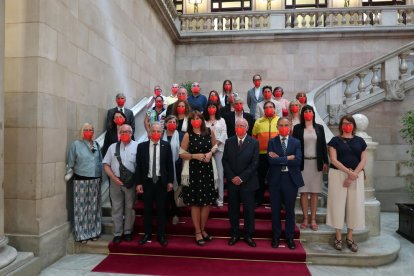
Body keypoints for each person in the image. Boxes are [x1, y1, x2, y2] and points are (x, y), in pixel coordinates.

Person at [327, 115, 366, 253]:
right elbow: (333, 160)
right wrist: (349, 173)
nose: (347, 125)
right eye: (344, 123)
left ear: (354, 125)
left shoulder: (360, 141)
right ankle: (338, 236)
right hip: (338, 174)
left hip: (356, 175)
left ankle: (349, 236)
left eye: (349, 123)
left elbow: (363, 160)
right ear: (341, 125)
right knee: (337, 204)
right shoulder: (334, 140)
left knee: (354, 205)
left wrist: (353, 174)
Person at [179, 111, 218, 246]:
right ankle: (197, 231)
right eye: (193, 119)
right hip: (194, 171)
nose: (196, 120)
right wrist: (194, 156)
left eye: (198, 118)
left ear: (202, 120)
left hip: (207, 170)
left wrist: (210, 153)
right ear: (190, 122)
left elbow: (215, 146)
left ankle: (203, 229)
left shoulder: (209, 131)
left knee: (206, 202)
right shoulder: (187, 135)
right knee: (196, 203)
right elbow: (181, 153)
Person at [267, 117, 304, 250]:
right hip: (275, 180)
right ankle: (276, 237)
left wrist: (280, 159)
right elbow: (271, 161)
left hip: (290, 180)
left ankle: (290, 237)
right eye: (281, 125)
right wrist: (288, 158)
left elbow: (298, 160)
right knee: (275, 210)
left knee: (290, 210)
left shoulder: (296, 142)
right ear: (277, 127)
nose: (284, 127)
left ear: (290, 127)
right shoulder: (272, 142)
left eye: (286, 125)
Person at [136, 122, 174, 246]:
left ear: (161, 133)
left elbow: (169, 165)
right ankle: (147, 234)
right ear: (150, 132)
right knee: (147, 210)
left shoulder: (166, 146)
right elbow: (139, 167)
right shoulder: (141, 146)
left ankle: (161, 235)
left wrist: (170, 181)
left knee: (162, 210)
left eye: (158, 131)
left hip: (161, 182)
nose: (156, 133)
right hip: (147, 183)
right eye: (154, 131)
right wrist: (138, 183)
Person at [222, 118, 259, 247]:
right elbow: (225, 161)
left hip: (248, 182)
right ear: (235, 127)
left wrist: (241, 177)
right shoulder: (229, 142)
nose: (240, 127)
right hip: (233, 182)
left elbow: (254, 163)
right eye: (238, 125)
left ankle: (248, 235)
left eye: (242, 125)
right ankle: (235, 233)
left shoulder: (254, 142)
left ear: (247, 128)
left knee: (249, 210)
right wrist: (232, 177)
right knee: (233, 209)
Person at [292, 105, 329, 231]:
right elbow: (295, 146)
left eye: (310, 111)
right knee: (303, 192)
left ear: (313, 114)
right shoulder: (297, 128)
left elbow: (323, 145)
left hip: (316, 163)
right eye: (306, 111)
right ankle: (305, 218)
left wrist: (325, 162)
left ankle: (313, 219)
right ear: (303, 115)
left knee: (314, 192)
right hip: (303, 164)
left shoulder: (319, 128)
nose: (308, 113)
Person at [67, 123, 103, 243]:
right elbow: (71, 162)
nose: (89, 132)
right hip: (80, 179)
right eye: (86, 130)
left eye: (91, 130)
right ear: (82, 131)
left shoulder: (97, 144)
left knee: (94, 208)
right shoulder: (76, 145)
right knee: (81, 208)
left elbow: (100, 161)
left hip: (95, 179)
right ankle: (82, 234)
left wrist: (101, 176)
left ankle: (93, 232)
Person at [103, 124, 139, 243]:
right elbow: (106, 164)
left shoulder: (138, 146)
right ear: (119, 133)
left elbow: (140, 166)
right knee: (116, 208)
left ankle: (128, 231)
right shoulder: (112, 147)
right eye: (122, 132)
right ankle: (117, 233)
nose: (125, 134)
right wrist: (113, 178)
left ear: (131, 133)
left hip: (130, 183)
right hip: (115, 182)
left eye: (127, 132)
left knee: (129, 208)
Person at [252, 101, 279, 207]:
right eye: (266, 107)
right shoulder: (258, 122)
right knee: (260, 178)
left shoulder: (279, 121)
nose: (269, 109)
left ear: (274, 108)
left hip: (276, 155)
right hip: (261, 154)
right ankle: (259, 200)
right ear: (263, 109)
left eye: (271, 107)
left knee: (276, 178)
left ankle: (276, 201)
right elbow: (254, 138)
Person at [204, 102, 227, 207]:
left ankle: (220, 199)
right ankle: (209, 197)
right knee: (207, 175)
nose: (211, 109)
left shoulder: (221, 120)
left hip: (218, 150)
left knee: (220, 175)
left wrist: (214, 147)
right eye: (209, 107)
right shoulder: (204, 121)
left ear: (216, 109)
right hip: (205, 151)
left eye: (213, 107)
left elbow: (224, 135)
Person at [162, 115, 183, 225]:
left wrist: (178, 162)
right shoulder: (160, 135)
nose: (172, 124)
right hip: (163, 168)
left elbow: (184, 151)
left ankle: (176, 214)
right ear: (165, 124)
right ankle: (165, 214)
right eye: (169, 122)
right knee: (165, 191)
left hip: (177, 167)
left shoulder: (181, 135)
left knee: (176, 191)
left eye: (174, 122)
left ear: (177, 124)